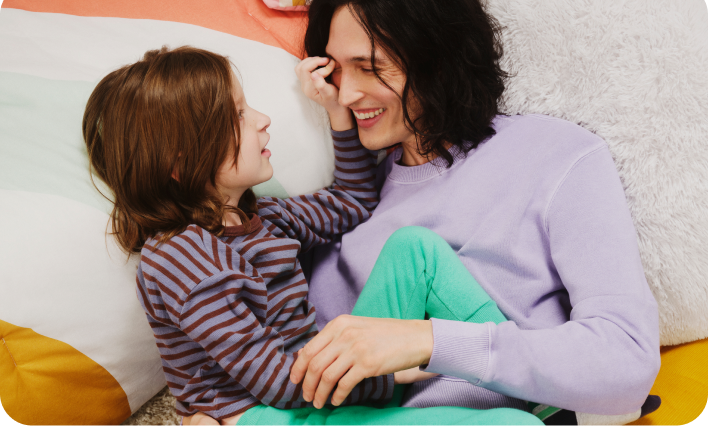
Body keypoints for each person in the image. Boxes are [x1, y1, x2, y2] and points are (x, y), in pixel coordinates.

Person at [82, 46, 543, 426]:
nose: (262, 119)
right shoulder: (180, 256)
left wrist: (336, 112)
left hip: (320, 388)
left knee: (414, 250)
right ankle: (511, 391)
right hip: (271, 412)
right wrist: (400, 367)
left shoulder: (263, 218)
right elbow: (278, 382)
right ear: (180, 163)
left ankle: (517, 367)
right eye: (238, 115)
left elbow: (353, 200)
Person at [288, 0, 661, 424]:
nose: (347, 93)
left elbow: (627, 361)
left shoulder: (558, 157)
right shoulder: (341, 210)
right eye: (335, 69)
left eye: (370, 68)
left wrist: (428, 341)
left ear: (436, 59)